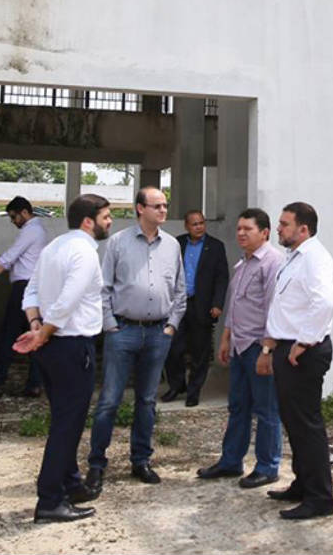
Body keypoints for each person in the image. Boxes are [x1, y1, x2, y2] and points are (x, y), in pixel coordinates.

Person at [16, 194, 111, 524]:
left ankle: (71, 485)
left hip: (50, 346)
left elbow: (31, 291)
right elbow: (67, 301)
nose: (109, 222)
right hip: (71, 346)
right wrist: (43, 332)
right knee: (67, 427)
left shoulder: (54, 247)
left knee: (63, 418)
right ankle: (50, 501)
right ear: (88, 221)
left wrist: (35, 324)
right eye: (106, 217)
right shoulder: (84, 252)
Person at [84, 187, 184, 494]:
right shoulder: (118, 242)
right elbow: (103, 288)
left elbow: (180, 290)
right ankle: (96, 465)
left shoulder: (172, 246)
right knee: (109, 401)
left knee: (147, 401)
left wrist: (172, 325)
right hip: (123, 331)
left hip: (158, 333)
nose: (163, 210)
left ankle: (141, 460)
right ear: (140, 208)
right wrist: (110, 325)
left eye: (165, 205)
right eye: (157, 206)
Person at [258, 202, 333, 520]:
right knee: (294, 423)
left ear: (303, 229)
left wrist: (304, 341)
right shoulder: (294, 257)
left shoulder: (315, 258)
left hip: (303, 352)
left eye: (284, 224)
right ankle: (303, 484)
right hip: (288, 348)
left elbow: (325, 302)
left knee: (307, 425)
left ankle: (319, 498)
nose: (278, 228)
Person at [197, 208, 284, 488]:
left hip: (259, 347)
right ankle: (231, 461)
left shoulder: (272, 263)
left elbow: (274, 310)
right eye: (239, 229)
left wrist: (267, 351)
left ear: (265, 233)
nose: (241, 234)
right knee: (238, 407)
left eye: (248, 229)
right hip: (239, 346)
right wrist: (226, 339)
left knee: (266, 410)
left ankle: (268, 467)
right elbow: (235, 307)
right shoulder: (244, 263)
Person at [0, 196, 46, 397]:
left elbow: (9, 258)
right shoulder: (37, 230)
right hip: (33, 288)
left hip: (23, 288)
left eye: (14, 217)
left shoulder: (31, 231)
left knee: (8, 336)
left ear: (25, 212)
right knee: (33, 335)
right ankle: (34, 384)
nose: (13, 221)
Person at [163, 210, 228, 406]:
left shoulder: (215, 246)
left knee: (200, 352)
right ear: (186, 226)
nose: (199, 227)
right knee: (173, 348)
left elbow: (221, 277)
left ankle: (194, 390)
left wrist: (217, 304)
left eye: (201, 223)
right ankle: (176, 385)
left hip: (202, 305)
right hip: (178, 304)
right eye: (194, 224)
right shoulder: (178, 243)